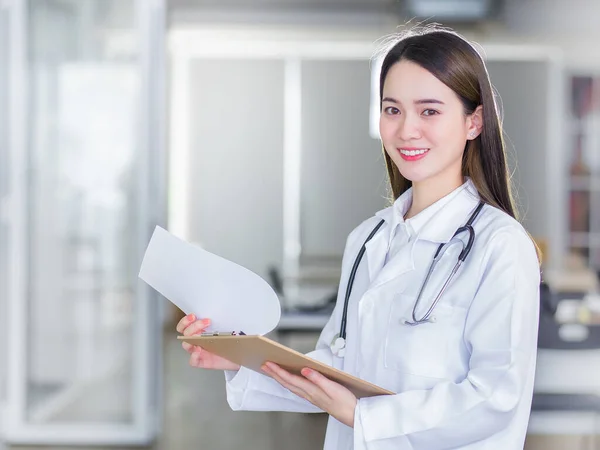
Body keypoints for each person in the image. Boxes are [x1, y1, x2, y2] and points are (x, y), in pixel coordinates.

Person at [177, 26, 541, 450]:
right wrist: (241, 360)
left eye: (429, 111)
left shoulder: (501, 246)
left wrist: (362, 415)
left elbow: (496, 398)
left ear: (474, 121)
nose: (406, 130)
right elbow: (338, 364)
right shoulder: (369, 239)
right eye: (392, 110)